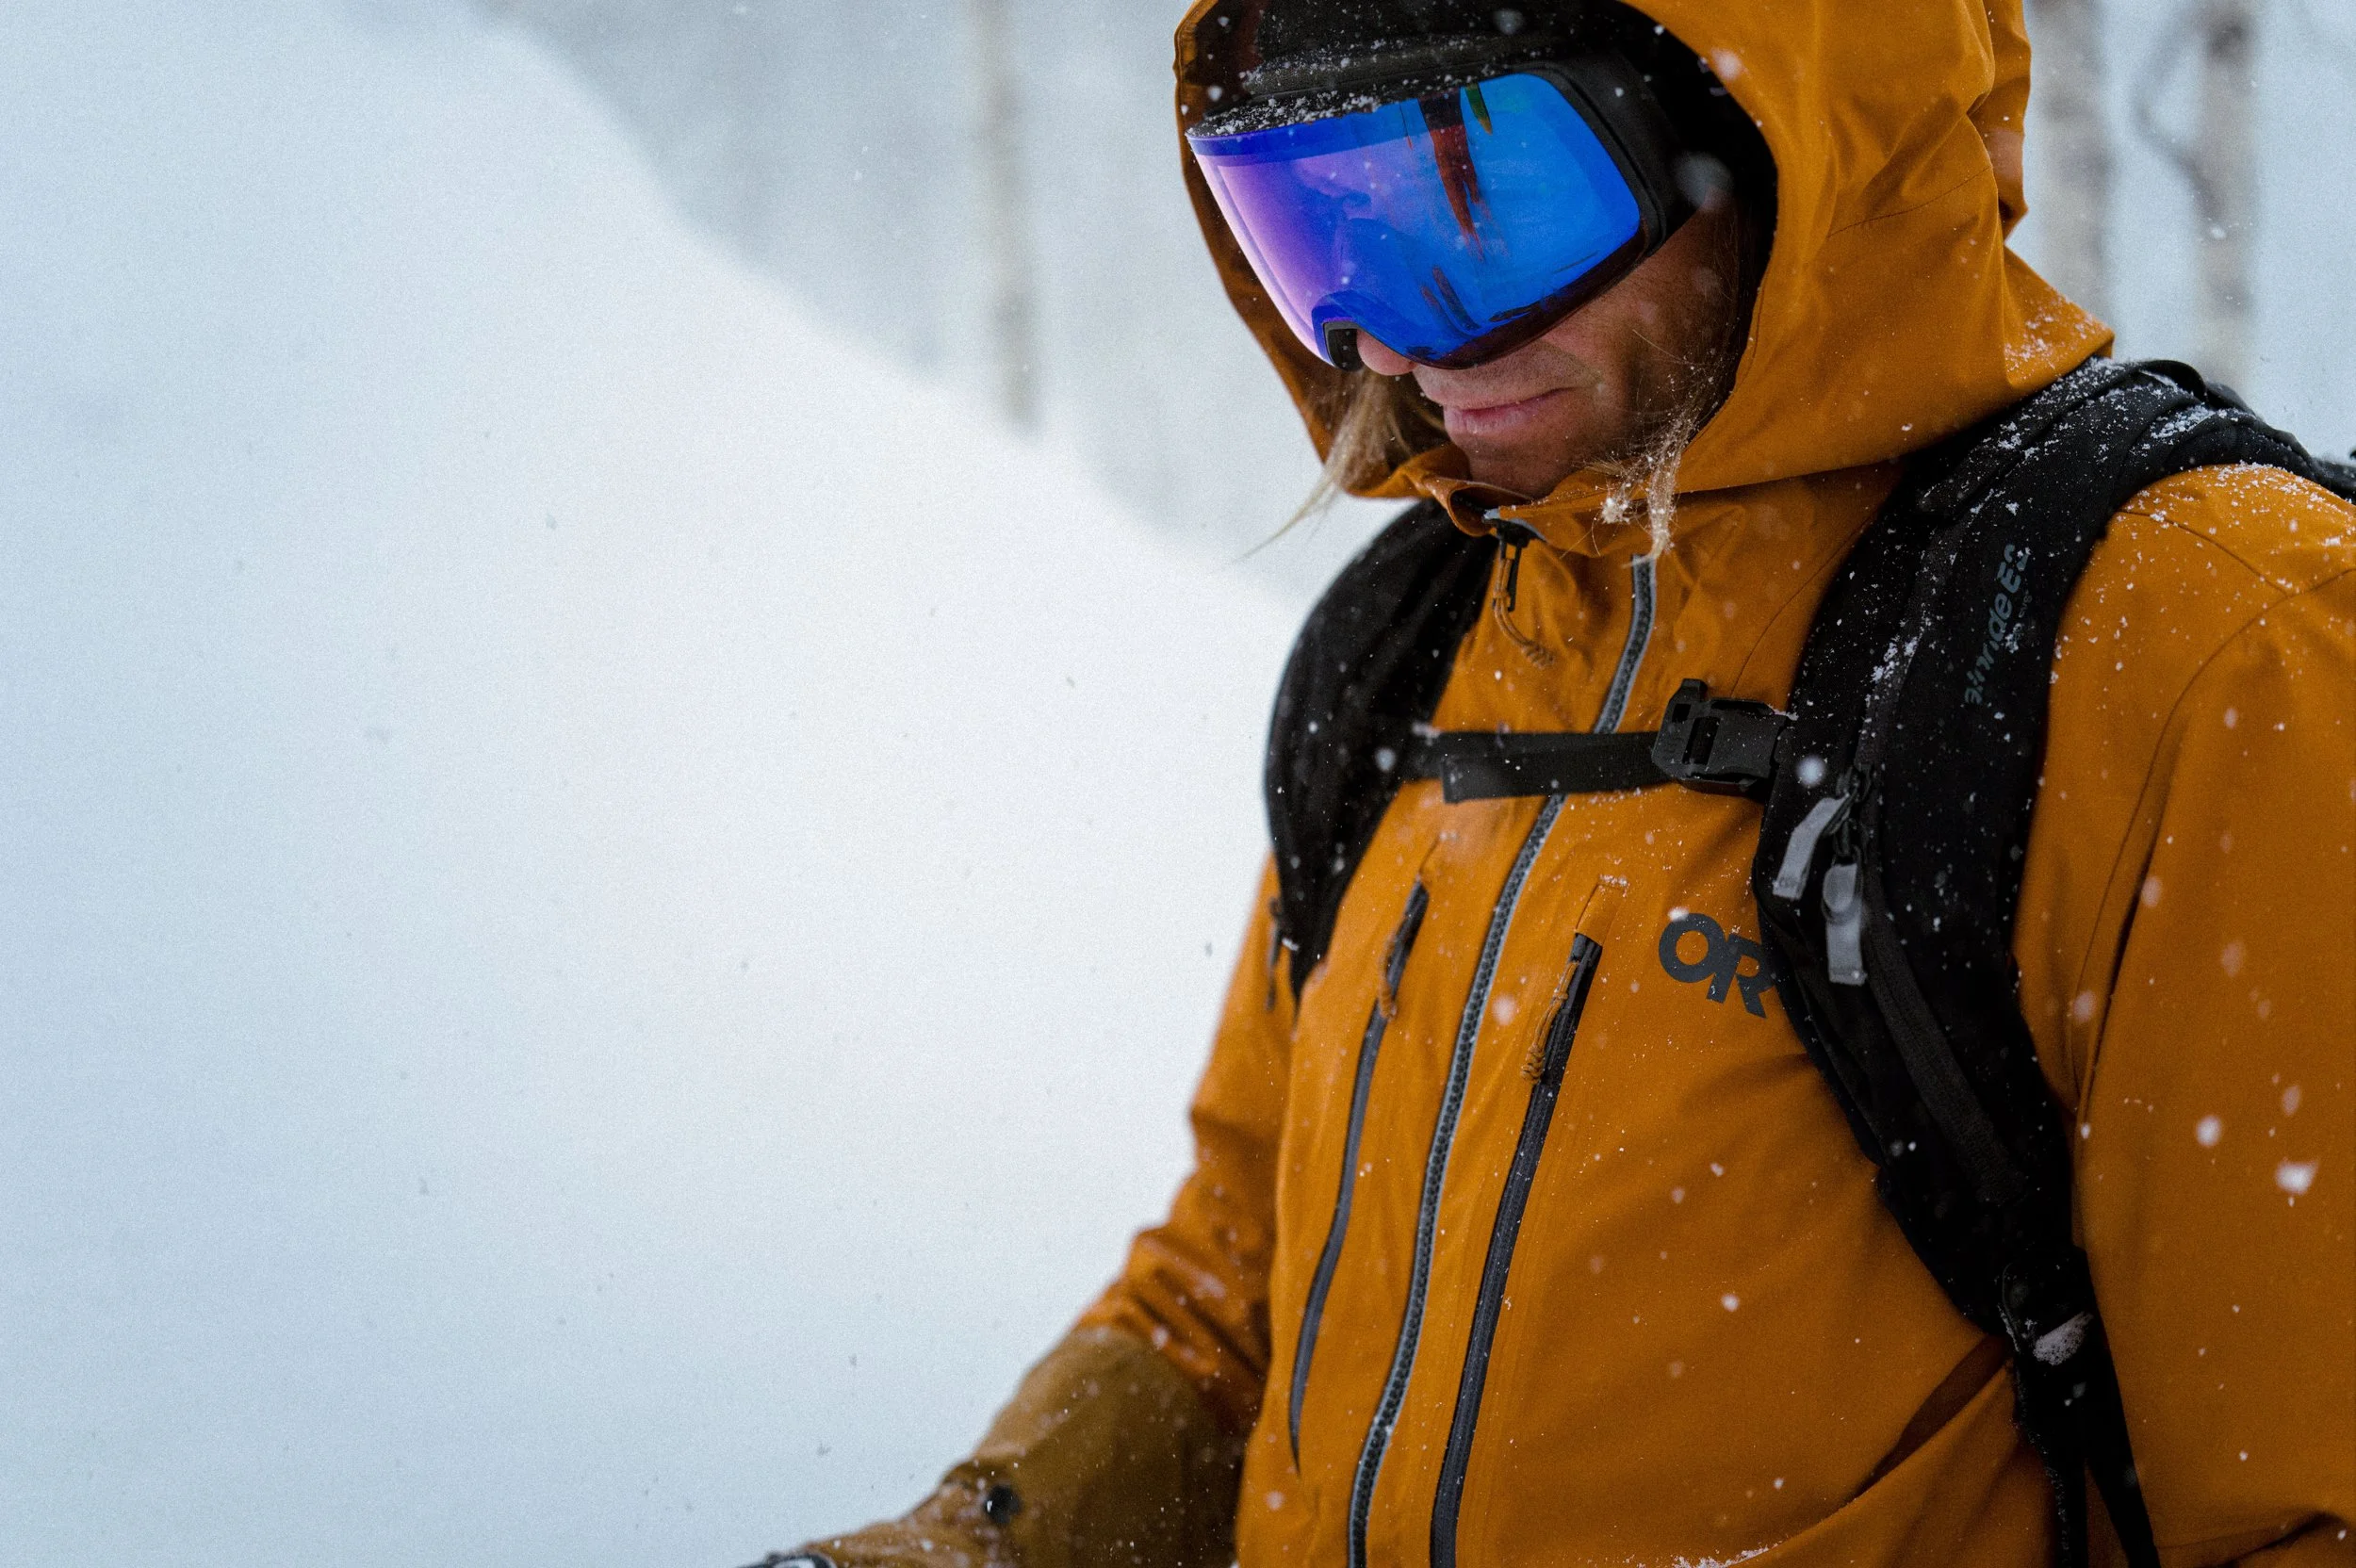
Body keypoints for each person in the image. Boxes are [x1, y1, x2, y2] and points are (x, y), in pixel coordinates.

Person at [768, 1, 2355, 1564]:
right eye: (1322, 228)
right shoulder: (1423, 642)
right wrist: (960, 1552)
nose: (1392, 339)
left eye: (1482, 199)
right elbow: (1232, 1314)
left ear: (1770, 124)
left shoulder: (2207, 642)